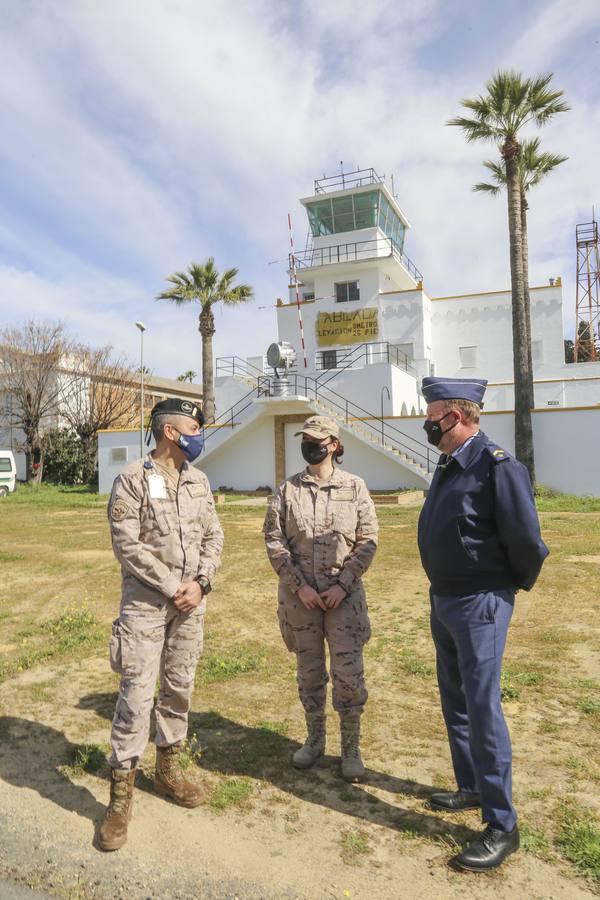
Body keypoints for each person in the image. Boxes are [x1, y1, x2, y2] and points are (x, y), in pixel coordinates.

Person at [417, 376, 549, 872]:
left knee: (483, 707)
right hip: (445, 599)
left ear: (457, 415)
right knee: (456, 701)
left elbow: (527, 540)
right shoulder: (450, 463)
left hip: (480, 603)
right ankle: (470, 786)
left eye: (432, 417)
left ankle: (502, 825)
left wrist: (502, 589)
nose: (427, 424)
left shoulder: (497, 466)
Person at [99, 398, 224, 852]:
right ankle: (119, 800)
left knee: (178, 688)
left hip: (190, 606)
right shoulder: (131, 480)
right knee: (136, 695)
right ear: (171, 432)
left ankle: (168, 772)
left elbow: (214, 534)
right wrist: (174, 584)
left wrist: (203, 583)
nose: (198, 433)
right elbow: (127, 546)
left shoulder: (199, 480)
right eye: (193, 425)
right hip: (146, 606)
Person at [263, 415, 378, 781]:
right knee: (309, 672)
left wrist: (343, 584)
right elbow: (274, 540)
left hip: (343, 600)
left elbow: (368, 540)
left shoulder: (355, 487)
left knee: (348, 675)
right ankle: (314, 739)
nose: (309, 445)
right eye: (305, 439)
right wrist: (301, 587)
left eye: (316, 439)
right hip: (302, 601)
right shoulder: (287, 490)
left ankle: (350, 747)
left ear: (333, 445)